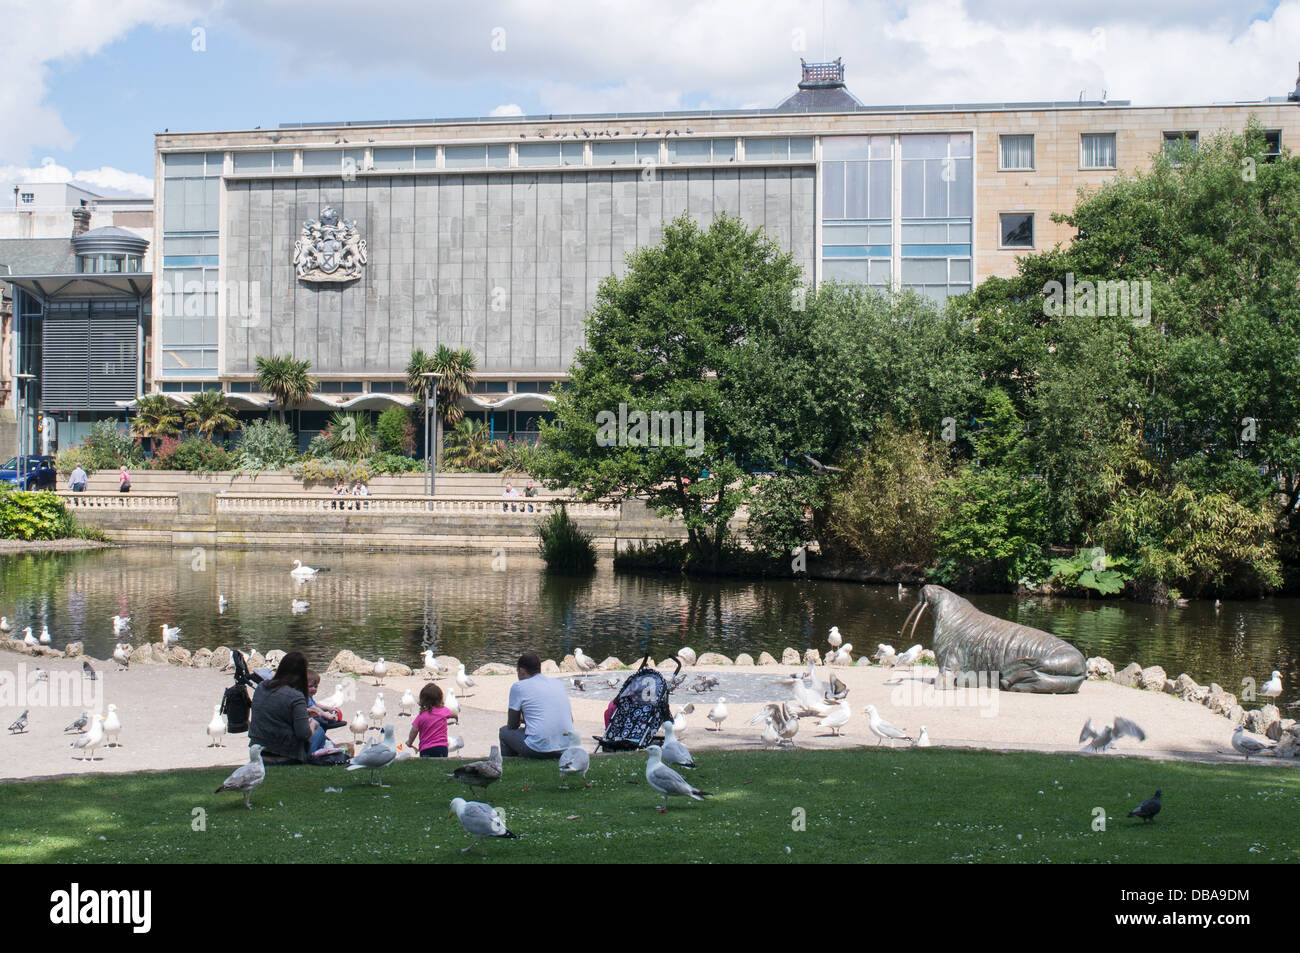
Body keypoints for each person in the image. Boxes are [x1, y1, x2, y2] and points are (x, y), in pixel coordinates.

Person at [248, 651, 342, 763]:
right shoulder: (295, 696)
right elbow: (304, 734)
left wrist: (304, 712)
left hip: (258, 746)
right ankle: (310, 759)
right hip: (283, 752)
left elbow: (274, 711)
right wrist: (312, 724)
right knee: (319, 731)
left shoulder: (262, 686)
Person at [499, 652, 573, 759]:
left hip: (540, 748)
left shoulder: (519, 687)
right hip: (567, 746)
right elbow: (570, 719)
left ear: (521, 671)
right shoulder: (558, 683)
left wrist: (520, 719)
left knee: (504, 732)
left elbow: (512, 725)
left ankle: (510, 763)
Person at [407, 683, 457, 758]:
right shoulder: (444, 711)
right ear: (440, 698)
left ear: (422, 700)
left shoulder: (421, 716)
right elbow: (453, 714)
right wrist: (456, 717)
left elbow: (414, 730)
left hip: (426, 749)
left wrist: (410, 742)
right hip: (441, 748)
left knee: (426, 766)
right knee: (441, 766)